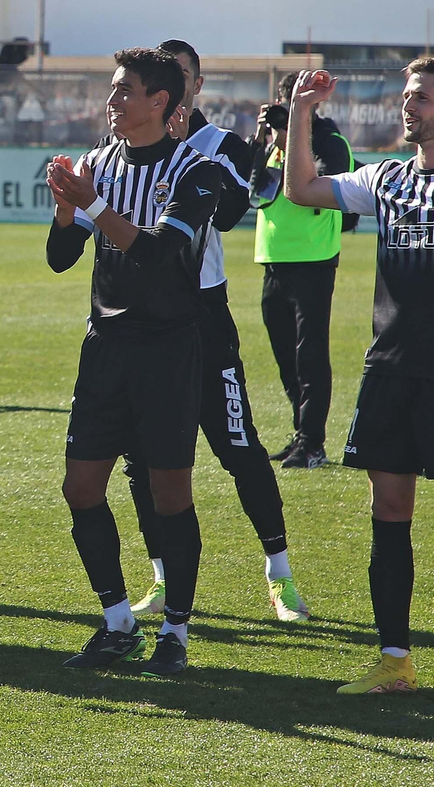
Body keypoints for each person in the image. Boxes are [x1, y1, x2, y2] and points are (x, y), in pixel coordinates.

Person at [281, 55, 434, 696]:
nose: (408, 106)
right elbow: (302, 190)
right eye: (407, 95)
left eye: (421, 97)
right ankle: (395, 661)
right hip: (389, 370)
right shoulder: (388, 179)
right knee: (388, 509)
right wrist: (301, 111)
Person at [45, 46, 223, 676]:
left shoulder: (196, 170)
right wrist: (68, 208)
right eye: (113, 89)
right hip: (106, 347)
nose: (113, 100)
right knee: (81, 486)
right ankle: (117, 622)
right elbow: (62, 257)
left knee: (169, 492)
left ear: (163, 104)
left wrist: (90, 205)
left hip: (169, 350)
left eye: (127, 91)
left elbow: (157, 254)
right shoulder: (100, 161)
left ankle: (175, 630)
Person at [145, 39, 309, 624]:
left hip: (203, 316)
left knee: (239, 448)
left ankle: (280, 572)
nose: (177, 86)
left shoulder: (220, 146)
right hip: (142, 320)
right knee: (147, 458)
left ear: (196, 84)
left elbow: (235, 215)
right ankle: (163, 578)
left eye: (184, 76)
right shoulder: (125, 145)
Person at [249, 71, 354, 468]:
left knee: (310, 355)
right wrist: (262, 140)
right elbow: (250, 185)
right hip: (273, 257)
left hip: (313, 258)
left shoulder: (328, 139)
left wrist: (293, 138)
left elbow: (327, 183)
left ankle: (313, 442)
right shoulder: (275, 142)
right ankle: (300, 433)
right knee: (283, 355)